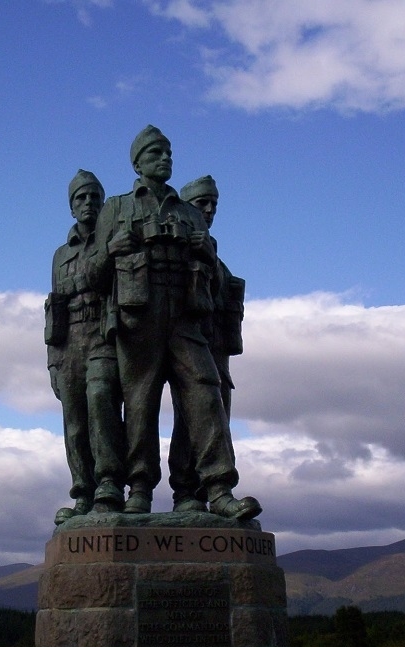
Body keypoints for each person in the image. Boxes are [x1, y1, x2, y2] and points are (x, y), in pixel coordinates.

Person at [89, 126, 261, 520]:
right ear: (137, 162)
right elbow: (95, 277)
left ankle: (216, 488)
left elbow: (216, 285)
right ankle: (139, 489)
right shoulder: (115, 208)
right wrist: (112, 251)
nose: (164, 158)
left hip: (185, 318)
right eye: (154, 153)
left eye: (168, 153)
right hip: (139, 316)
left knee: (205, 392)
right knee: (140, 404)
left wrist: (208, 254)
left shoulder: (188, 213)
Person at [45, 170, 126, 525]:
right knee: (75, 422)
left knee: (101, 400)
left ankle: (110, 483)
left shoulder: (114, 238)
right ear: (71, 206)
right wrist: (52, 362)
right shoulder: (60, 254)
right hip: (68, 344)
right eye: (81, 197)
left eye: (94, 196)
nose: (88, 203)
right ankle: (83, 492)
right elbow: (54, 306)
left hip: (103, 336)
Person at [167, 175, 245, 512]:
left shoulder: (215, 257)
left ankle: (194, 494)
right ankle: (188, 489)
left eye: (214, 203)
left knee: (204, 418)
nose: (210, 209)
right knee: (196, 408)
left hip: (215, 351)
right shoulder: (176, 249)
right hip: (181, 339)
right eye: (202, 203)